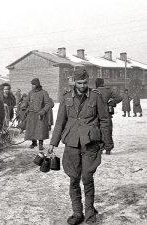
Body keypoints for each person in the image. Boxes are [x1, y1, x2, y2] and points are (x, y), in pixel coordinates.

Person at [47, 69, 112, 225]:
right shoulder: (66, 97)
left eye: (85, 82)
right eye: (79, 83)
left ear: (88, 80)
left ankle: (90, 214)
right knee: (74, 179)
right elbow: (60, 122)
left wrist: (107, 142)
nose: (82, 86)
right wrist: (52, 143)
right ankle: (77, 213)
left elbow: (104, 120)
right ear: (73, 82)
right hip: (72, 143)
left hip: (91, 143)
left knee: (87, 178)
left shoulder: (96, 96)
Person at [24, 78, 54, 150]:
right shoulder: (30, 93)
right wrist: (24, 106)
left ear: (37, 85)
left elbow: (48, 104)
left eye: (33, 84)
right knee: (32, 129)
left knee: (40, 130)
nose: (32, 86)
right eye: (32, 84)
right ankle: (34, 143)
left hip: (40, 115)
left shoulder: (44, 93)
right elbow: (26, 101)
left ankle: (41, 144)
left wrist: (43, 111)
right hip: (31, 114)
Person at [95, 78, 122, 154]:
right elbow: (119, 97)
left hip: (95, 114)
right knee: (107, 131)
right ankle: (108, 148)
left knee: (97, 132)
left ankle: (99, 148)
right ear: (102, 83)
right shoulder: (108, 91)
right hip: (106, 114)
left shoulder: (93, 91)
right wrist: (111, 103)